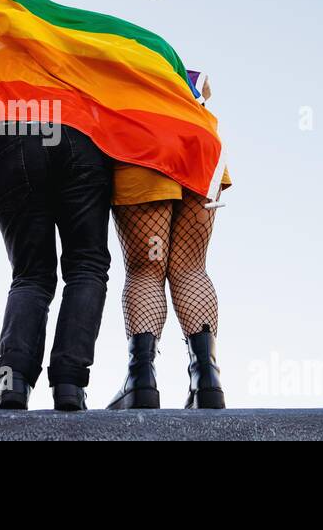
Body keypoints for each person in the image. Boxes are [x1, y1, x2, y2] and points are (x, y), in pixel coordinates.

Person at [105, 77, 231, 409]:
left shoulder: (114, 64)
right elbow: (205, 87)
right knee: (191, 266)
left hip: (144, 141)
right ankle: (207, 379)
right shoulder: (174, 70)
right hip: (200, 142)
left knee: (146, 269)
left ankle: (140, 378)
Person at [0, 120, 114, 411]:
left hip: (14, 132)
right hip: (81, 131)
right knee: (86, 266)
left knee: (29, 274)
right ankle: (69, 383)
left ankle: (13, 382)